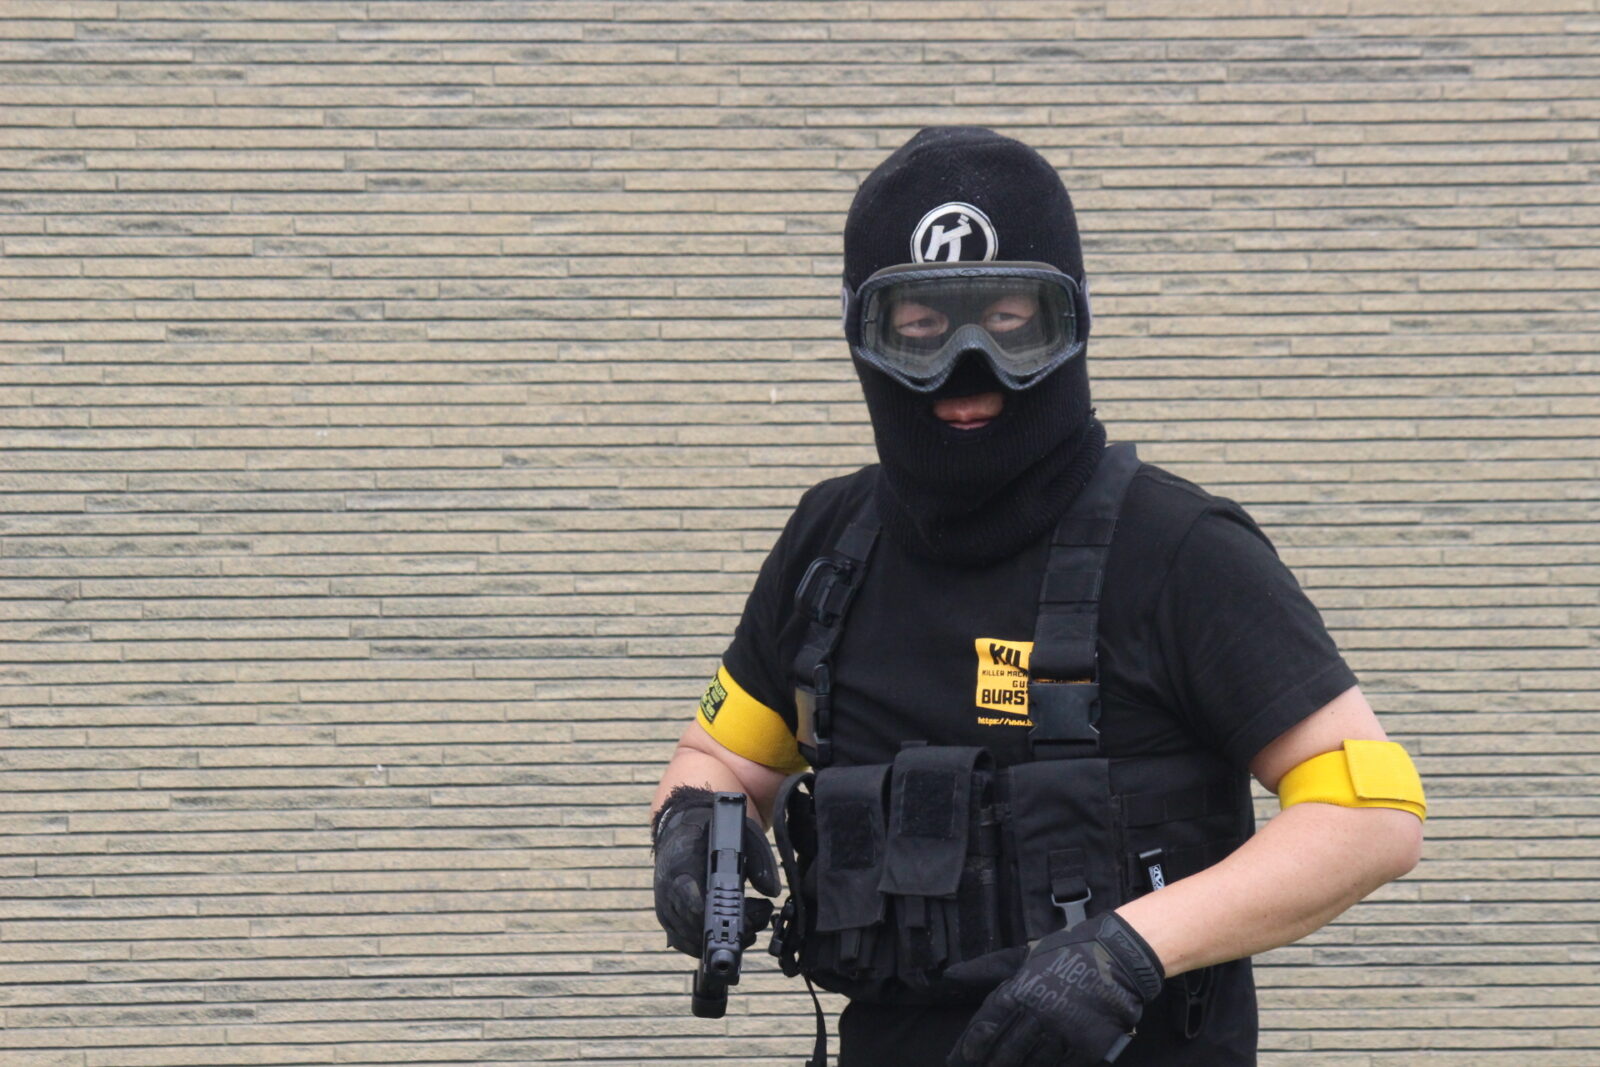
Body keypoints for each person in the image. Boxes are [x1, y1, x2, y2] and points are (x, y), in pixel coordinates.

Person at [649, 126, 1426, 1067]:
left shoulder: (1179, 548)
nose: (966, 367)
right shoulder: (829, 543)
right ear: (863, 331)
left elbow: (1371, 815)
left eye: (1012, 320)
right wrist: (691, 823)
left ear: (1072, 319)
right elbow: (719, 759)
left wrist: (1128, 951)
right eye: (920, 328)